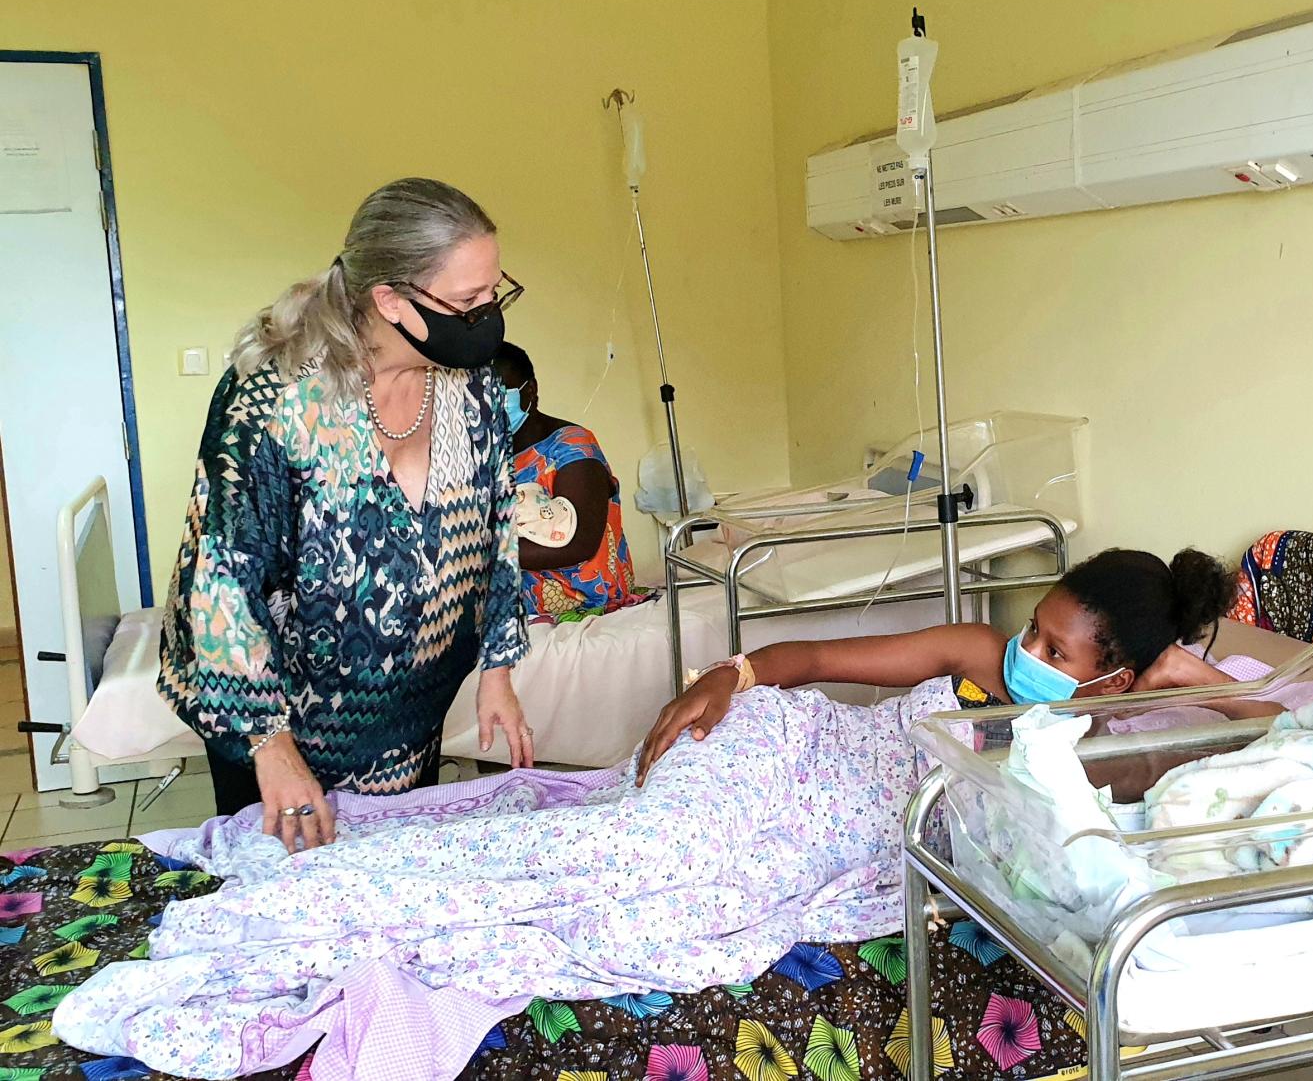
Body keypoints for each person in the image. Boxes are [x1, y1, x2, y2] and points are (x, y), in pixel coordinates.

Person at [158, 178, 536, 849]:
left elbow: (498, 524)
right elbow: (219, 580)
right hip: (284, 719)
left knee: (380, 889)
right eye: (467, 301)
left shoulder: (470, 383)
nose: (486, 317)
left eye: (494, 293)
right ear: (389, 299)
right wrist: (271, 750)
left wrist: (497, 671)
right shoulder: (275, 400)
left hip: (408, 714)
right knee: (288, 902)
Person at [639, 547, 1257, 783]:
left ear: (1113, 681)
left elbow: (1286, 723)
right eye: (1034, 627)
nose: (1028, 652)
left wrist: (1192, 674)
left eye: (1056, 653)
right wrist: (731, 674)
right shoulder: (977, 651)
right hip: (799, 752)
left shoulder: (1099, 756)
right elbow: (821, 658)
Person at [492, 342, 646, 618]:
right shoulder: (492, 458)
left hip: (590, 607)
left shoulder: (572, 447)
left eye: (498, 393)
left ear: (530, 391)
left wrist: (480, 553)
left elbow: (579, 543)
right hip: (522, 612)